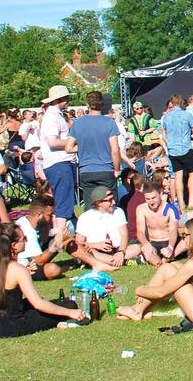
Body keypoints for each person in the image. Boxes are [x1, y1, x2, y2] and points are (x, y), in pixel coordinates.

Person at [117, 217, 193, 330]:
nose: (182, 240)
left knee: (166, 269)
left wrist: (139, 290)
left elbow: (161, 292)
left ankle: (137, 310)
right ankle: (143, 309)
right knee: (174, 266)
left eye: (184, 236)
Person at [0, 223, 85, 336]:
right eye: (23, 239)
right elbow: (38, 303)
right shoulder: (18, 269)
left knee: (48, 304)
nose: (26, 241)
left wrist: (26, 271)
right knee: (69, 304)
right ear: (14, 245)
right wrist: (70, 312)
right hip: (14, 325)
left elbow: (7, 289)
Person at [38, 85, 78, 243]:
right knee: (63, 203)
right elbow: (52, 142)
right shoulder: (52, 117)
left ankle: (68, 235)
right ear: (59, 100)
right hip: (58, 163)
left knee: (65, 201)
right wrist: (73, 144)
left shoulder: (56, 115)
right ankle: (59, 239)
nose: (68, 100)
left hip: (59, 163)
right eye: (66, 97)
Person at [70, 90, 121, 208]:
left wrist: (83, 146)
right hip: (105, 169)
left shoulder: (78, 123)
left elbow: (69, 147)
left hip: (86, 170)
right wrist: (117, 169)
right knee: (110, 206)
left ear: (87, 104)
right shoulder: (109, 122)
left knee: (90, 206)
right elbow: (115, 149)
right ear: (102, 105)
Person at [73, 186, 140, 271]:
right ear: (98, 203)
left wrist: (121, 252)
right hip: (95, 251)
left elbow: (124, 234)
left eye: (113, 198)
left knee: (137, 248)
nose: (114, 202)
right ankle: (119, 261)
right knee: (89, 252)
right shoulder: (85, 217)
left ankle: (109, 261)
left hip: (117, 250)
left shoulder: (118, 211)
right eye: (109, 200)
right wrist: (96, 245)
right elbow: (79, 242)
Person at [16, 193, 69, 280]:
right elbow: (39, 261)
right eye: (50, 215)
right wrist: (56, 242)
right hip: (25, 267)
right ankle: (63, 268)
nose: (52, 218)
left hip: (34, 259)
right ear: (39, 215)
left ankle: (91, 261)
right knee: (53, 269)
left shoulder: (38, 224)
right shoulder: (26, 230)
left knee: (65, 238)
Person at [160, 95, 193, 210]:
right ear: (182, 102)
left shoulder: (166, 117)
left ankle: (181, 204)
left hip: (173, 151)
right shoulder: (186, 115)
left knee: (178, 176)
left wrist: (170, 145)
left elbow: (164, 135)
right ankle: (191, 201)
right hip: (185, 148)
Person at [136, 182, 186, 265]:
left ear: (160, 193)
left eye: (153, 198)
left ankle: (169, 257)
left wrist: (170, 247)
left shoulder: (170, 209)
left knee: (188, 240)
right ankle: (159, 263)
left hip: (169, 240)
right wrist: (147, 244)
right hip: (154, 243)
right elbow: (140, 231)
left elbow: (173, 229)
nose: (151, 202)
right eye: (147, 199)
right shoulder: (141, 209)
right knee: (145, 249)